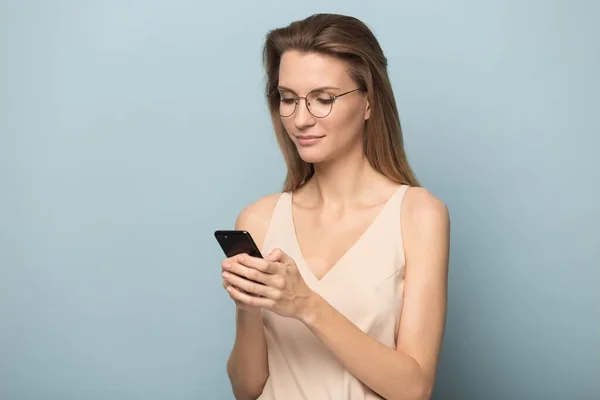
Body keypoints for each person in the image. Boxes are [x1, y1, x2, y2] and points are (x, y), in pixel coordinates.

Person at [220, 13, 450, 400]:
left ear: (368, 103)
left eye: (323, 99)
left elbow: (414, 389)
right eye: (288, 99)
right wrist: (248, 306)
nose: (301, 120)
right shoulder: (258, 219)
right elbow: (247, 389)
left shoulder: (417, 215)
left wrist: (306, 304)